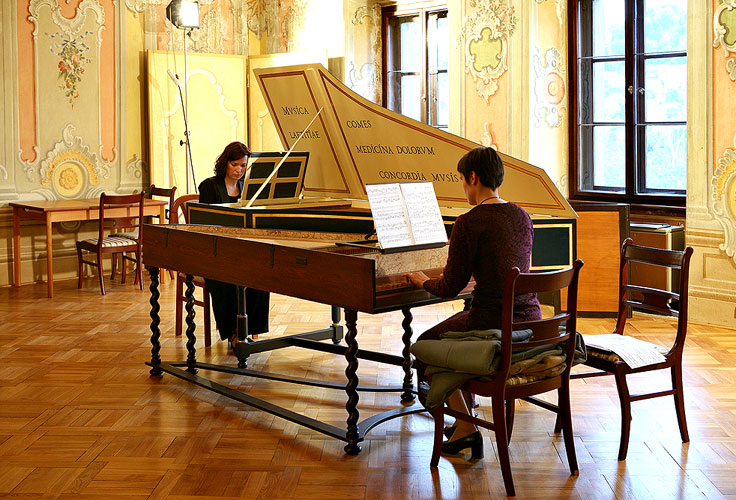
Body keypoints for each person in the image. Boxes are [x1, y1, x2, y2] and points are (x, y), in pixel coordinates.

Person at [405, 146, 541, 459]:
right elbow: (508, 265)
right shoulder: (522, 216)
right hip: (529, 320)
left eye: (463, 182)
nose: (463, 189)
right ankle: (466, 418)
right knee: (454, 336)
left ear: (473, 178)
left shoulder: (469, 222)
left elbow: (450, 287)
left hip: (490, 320)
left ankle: (466, 426)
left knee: (426, 345)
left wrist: (421, 280)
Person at [198, 141, 270, 344]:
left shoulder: (246, 188)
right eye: (234, 165)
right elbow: (203, 224)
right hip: (214, 251)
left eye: (243, 166)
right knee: (226, 279)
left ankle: (250, 327)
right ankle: (233, 332)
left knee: (261, 274)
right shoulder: (210, 186)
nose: (239, 170)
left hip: (240, 249)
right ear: (225, 163)